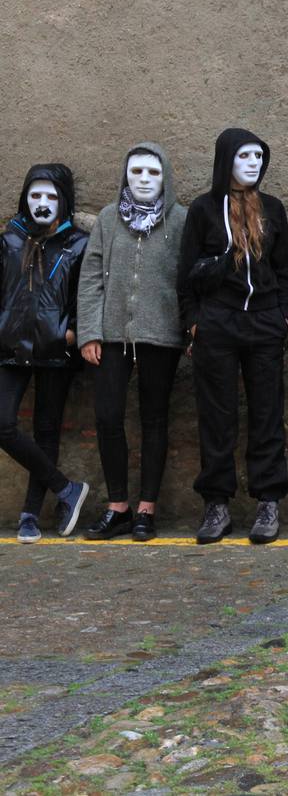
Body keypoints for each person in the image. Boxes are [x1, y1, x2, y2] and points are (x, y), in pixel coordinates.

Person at [178, 129, 288, 545]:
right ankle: (216, 503)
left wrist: (283, 316)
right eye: (244, 156)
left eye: (258, 156)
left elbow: (284, 270)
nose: (253, 163)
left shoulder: (273, 209)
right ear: (225, 160)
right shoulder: (203, 209)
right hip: (217, 324)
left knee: (267, 413)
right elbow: (185, 274)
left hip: (264, 324)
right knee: (217, 416)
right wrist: (195, 322)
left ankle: (268, 499)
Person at [77, 143, 188, 541]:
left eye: (153, 172)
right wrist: (89, 332)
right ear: (125, 175)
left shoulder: (181, 220)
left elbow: (188, 279)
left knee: (154, 417)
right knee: (107, 415)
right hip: (111, 336)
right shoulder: (109, 219)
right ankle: (118, 506)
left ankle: (146, 510)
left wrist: (187, 328)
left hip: (161, 335)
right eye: (136, 171)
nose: (143, 179)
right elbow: (91, 277)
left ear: (166, 177)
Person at [2, 164, 91, 543]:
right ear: (24, 198)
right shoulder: (10, 240)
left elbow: (88, 294)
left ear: (64, 201)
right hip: (11, 347)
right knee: (3, 423)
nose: (42, 202)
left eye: (51, 196)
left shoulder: (79, 244)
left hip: (56, 348)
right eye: (35, 195)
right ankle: (66, 488)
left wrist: (72, 333)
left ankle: (30, 515)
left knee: (47, 429)